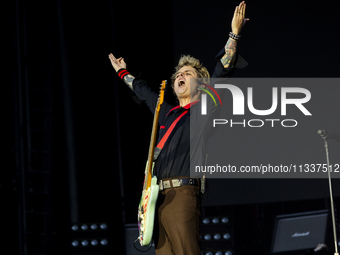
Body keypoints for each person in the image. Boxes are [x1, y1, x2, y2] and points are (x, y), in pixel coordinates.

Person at [109, 2, 249, 254]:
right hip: (156, 199)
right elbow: (145, 92)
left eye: (187, 73)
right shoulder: (167, 112)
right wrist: (123, 73)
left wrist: (234, 34)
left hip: (183, 194)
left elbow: (222, 71)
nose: (179, 76)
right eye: (177, 74)